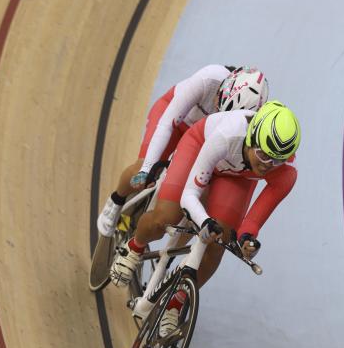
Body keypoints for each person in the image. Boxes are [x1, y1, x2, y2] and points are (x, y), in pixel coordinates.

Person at [109, 100, 301, 336]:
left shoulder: (283, 173)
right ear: (251, 138)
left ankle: (176, 302)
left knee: (217, 244)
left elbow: (251, 224)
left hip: (237, 177)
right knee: (165, 218)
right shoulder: (227, 134)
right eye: (262, 155)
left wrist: (247, 240)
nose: (266, 165)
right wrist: (203, 220)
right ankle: (134, 246)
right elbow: (189, 195)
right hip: (200, 147)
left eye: (276, 161)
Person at [96, 65, 270, 237]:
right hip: (176, 122)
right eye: (218, 106)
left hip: (202, 139)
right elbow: (166, 124)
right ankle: (116, 200)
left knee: (200, 200)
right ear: (222, 89)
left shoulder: (248, 125)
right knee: (143, 168)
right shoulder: (209, 79)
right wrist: (147, 168)